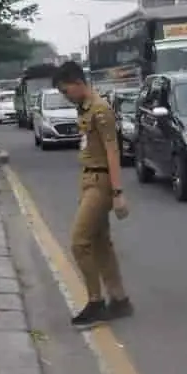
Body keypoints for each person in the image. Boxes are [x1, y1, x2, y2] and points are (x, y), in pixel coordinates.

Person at [54, 61, 132, 327]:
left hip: (101, 182)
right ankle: (119, 299)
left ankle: (96, 300)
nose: (66, 96)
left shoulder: (100, 110)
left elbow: (113, 151)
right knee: (100, 243)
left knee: (79, 242)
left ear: (78, 83)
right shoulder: (85, 108)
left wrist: (118, 192)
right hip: (88, 178)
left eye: (66, 91)